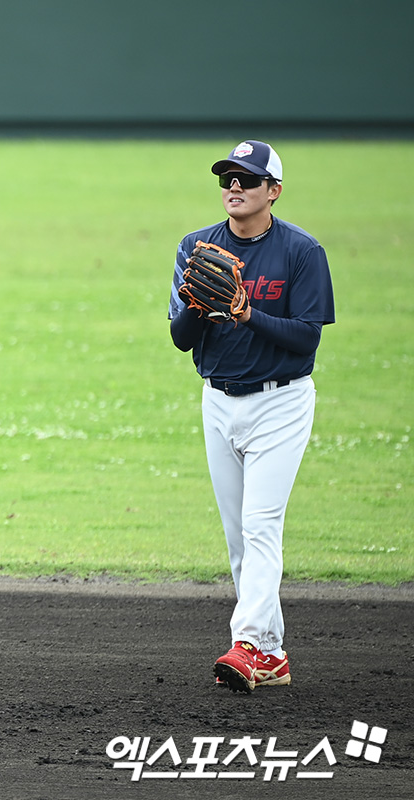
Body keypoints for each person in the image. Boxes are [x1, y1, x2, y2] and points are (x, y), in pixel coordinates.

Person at [169, 140, 334, 693]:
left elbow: (307, 338)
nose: (233, 187)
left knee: (261, 525)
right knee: (240, 538)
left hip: (281, 402)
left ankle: (245, 646)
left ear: (274, 191)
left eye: (247, 179)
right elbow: (180, 339)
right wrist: (195, 305)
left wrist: (247, 312)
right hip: (217, 400)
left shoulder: (301, 252)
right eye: (227, 178)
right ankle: (272, 653)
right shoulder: (197, 246)